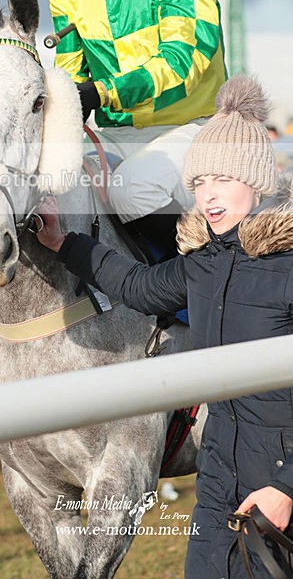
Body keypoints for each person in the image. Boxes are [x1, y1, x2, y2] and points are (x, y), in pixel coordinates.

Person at [36, 75, 293, 579]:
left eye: (223, 180)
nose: (209, 196)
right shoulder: (204, 261)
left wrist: (286, 489)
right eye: (199, 183)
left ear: (258, 181)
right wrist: (65, 244)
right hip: (218, 480)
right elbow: (137, 286)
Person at [38, 0, 227, 231]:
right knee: (46, 184)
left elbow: (184, 61)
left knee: (128, 192)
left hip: (195, 126)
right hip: (115, 134)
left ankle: (191, 267)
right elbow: (72, 70)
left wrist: (103, 93)